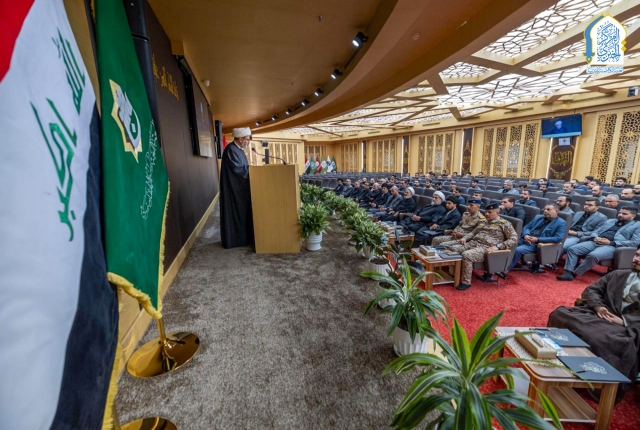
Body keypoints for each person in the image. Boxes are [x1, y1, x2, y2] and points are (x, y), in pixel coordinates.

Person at [548, 247, 640, 401]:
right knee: (560, 314)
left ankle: (593, 381)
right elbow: (592, 290)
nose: (636, 259)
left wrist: (624, 321)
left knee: (601, 338)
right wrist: (598, 307)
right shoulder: (619, 274)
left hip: (629, 326)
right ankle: (557, 358)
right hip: (600, 314)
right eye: (637, 255)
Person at [444, 202, 518, 290]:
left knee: (466, 255)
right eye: (486, 212)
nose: (486, 214)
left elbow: (514, 239)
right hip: (473, 243)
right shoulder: (483, 221)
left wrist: (498, 246)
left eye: (489, 212)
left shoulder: (504, 224)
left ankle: (466, 282)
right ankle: (453, 274)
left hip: (486, 248)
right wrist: (465, 238)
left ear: (497, 213)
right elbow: (473, 233)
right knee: (453, 248)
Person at [558, 207, 640, 281]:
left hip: (613, 246)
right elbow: (596, 231)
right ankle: (568, 272)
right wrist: (595, 237)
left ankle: (576, 273)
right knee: (572, 249)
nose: (620, 215)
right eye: (620, 213)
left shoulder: (637, 226)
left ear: (633, 216)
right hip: (596, 241)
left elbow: (634, 242)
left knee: (593, 255)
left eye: (624, 214)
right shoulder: (610, 221)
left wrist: (610, 242)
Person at [220, 127, 254, 249]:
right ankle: (236, 240)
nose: (248, 142)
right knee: (236, 215)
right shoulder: (231, 150)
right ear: (240, 139)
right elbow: (238, 170)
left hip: (240, 190)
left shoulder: (238, 150)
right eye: (247, 139)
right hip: (234, 191)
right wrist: (252, 171)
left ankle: (245, 238)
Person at [509, 204, 566, 271]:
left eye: (548, 209)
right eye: (544, 209)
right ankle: (503, 263)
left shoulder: (561, 223)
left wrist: (538, 239)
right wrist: (526, 235)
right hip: (526, 239)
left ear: (556, 211)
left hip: (538, 244)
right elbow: (527, 227)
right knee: (508, 244)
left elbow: (558, 238)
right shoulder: (538, 217)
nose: (545, 211)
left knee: (517, 250)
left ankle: (505, 268)